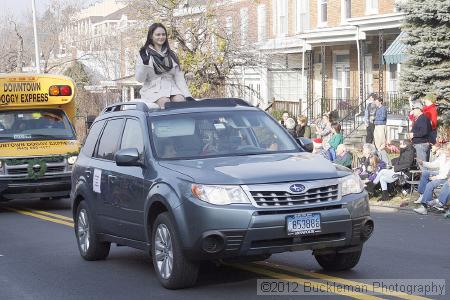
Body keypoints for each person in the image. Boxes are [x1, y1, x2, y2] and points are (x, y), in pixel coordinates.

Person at [135, 23, 191, 109]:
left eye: (163, 34)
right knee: (165, 102)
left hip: (172, 88)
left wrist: (187, 95)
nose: (161, 37)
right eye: (158, 34)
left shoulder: (172, 55)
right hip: (153, 90)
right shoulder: (144, 54)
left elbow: (179, 78)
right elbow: (140, 79)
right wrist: (145, 64)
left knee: (180, 100)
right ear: (151, 36)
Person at [413, 143, 450, 215]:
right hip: (440, 174)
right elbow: (434, 164)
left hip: (445, 177)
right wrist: (423, 163)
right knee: (425, 172)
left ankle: (424, 207)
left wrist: (436, 177)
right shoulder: (443, 156)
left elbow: (446, 174)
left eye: (447, 151)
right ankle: (422, 194)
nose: (445, 152)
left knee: (430, 185)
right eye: (445, 150)